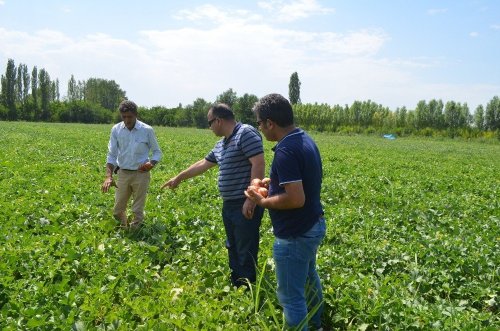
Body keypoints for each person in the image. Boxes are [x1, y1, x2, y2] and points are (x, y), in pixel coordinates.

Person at [245, 93, 326, 330]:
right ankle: (316, 324)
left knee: (291, 297)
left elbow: (295, 198)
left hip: (295, 233)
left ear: (270, 123)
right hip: (312, 224)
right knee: (309, 279)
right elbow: (301, 184)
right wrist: (274, 185)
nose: (259, 128)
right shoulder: (303, 139)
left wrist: (262, 202)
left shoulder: (285, 151)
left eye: (259, 123)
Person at [162, 103, 265, 287]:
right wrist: (179, 177)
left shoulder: (245, 133)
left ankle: (248, 288)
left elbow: (258, 164)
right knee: (233, 246)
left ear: (218, 120)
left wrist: (252, 198)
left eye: (210, 123)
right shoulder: (222, 144)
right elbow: (203, 163)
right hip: (229, 205)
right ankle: (237, 285)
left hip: (244, 202)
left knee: (245, 248)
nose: (209, 128)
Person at [101, 100, 162, 229]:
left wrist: (151, 163)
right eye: (124, 117)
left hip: (141, 174)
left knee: (137, 210)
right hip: (123, 173)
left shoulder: (146, 130)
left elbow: (157, 152)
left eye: (130, 117)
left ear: (136, 115)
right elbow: (111, 154)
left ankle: (135, 233)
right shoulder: (116, 130)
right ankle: (124, 228)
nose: (127, 120)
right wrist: (108, 176)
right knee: (117, 210)